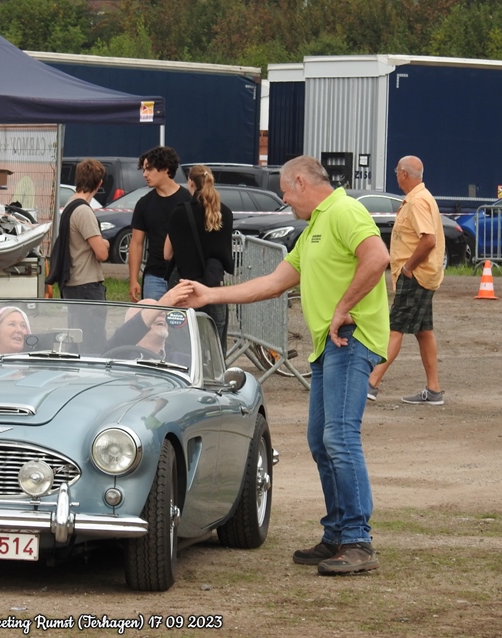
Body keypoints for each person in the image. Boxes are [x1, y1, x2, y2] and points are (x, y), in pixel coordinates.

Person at [178, 155, 390, 575]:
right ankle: (337, 535)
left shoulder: (345, 211)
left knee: (339, 438)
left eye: (286, 191)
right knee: (321, 441)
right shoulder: (313, 229)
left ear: (302, 182)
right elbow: (273, 283)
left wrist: (343, 307)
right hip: (329, 345)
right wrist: (209, 295)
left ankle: (357, 541)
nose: (284, 199)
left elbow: (377, 257)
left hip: (351, 339)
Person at [367, 156, 446, 405]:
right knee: (423, 331)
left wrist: (408, 267)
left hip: (416, 276)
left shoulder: (418, 201)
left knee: (395, 328)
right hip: (422, 275)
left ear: (403, 174)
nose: (396, 175)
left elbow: (428, 239)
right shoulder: (420, 197)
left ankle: (370, 384)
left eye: (396, 171)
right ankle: (433, 390)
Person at [164, 164, 234, 354]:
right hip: (214, 287)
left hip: (184, 288)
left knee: (182, 346)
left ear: (191, 182)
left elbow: (167, 254)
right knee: (215, 344)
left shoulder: (180, 213)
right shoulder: (225, 213)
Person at [54, 159, 109, 353]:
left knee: (77, 342)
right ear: (99, 183)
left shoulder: (70, 204)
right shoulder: (84, 211)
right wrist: (106, 243)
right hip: (87, 285)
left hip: (72, 283)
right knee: (93, 346)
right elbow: (101, 253)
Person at [129, 146, 190, 302]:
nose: (145, 174)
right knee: (152, 317)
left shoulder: (188, 200)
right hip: (154, 276)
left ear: (164, 168)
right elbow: (136, 243)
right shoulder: (144, 204)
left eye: (149, 169)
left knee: (180, 318)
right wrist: (133, 279)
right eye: (144, 170)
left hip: (183, 276)